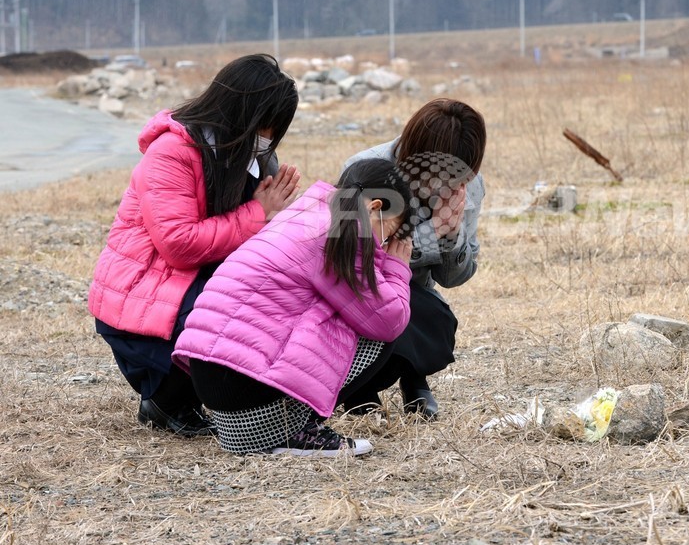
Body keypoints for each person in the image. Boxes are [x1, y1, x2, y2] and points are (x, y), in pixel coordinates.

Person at [88, 54, 300, 437]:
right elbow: (179, 245)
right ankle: (167, 401)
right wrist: (258, 213)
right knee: (229, 318)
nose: (268, 135)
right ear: (241, 113)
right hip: (145, 297)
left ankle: (230, 402)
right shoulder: (171, 152)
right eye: (265, 124)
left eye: (275, 128)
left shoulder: (253, 158)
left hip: (191, 288)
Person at [172, 158, 414, 456]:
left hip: (219, 391)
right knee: (374, 332)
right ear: (376, 207)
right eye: (390, 231)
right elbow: (389, 320)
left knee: (342, 310)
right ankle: (295, 432)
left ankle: (280, 428)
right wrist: (396, 267)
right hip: (249, 396)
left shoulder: (303, 214)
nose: (386, 242)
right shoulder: (342, 231)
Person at [341, 98, 486, 420]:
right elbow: (355, 261)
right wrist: (433, 230)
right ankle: (359, 389)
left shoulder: (470, 186)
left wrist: (451, 237)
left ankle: (414, 380)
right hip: (361, 292)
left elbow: (454, 278)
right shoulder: (364, 170)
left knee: (437, 319)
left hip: (415, 293)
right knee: (385, 313)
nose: (447, 186)